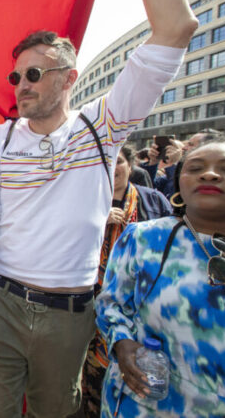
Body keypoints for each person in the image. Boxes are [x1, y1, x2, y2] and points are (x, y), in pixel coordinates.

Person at [0, 0, 198, 416]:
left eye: (33, 74)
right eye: (15, 76)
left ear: (69, 78)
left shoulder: (100, 127)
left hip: (69, 314)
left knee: (56, 411)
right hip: (0, 301)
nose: (20, 85)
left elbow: (176, 28)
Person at [96, 137, 225, 417]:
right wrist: (121, 342)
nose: (209, 174)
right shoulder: (143, 238)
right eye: (195, 168)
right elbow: (111, 304)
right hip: (148, 402)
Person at [79, 145, 172, 417]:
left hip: (141, 303)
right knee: (93, 372)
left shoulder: (153, 200)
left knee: (138, 376)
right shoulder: (85, 201)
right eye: (105, 162)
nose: (112, 167)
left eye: (118, 161)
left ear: (130, 166)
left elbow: (170, 244)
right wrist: (97, 223)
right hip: (91, 299)